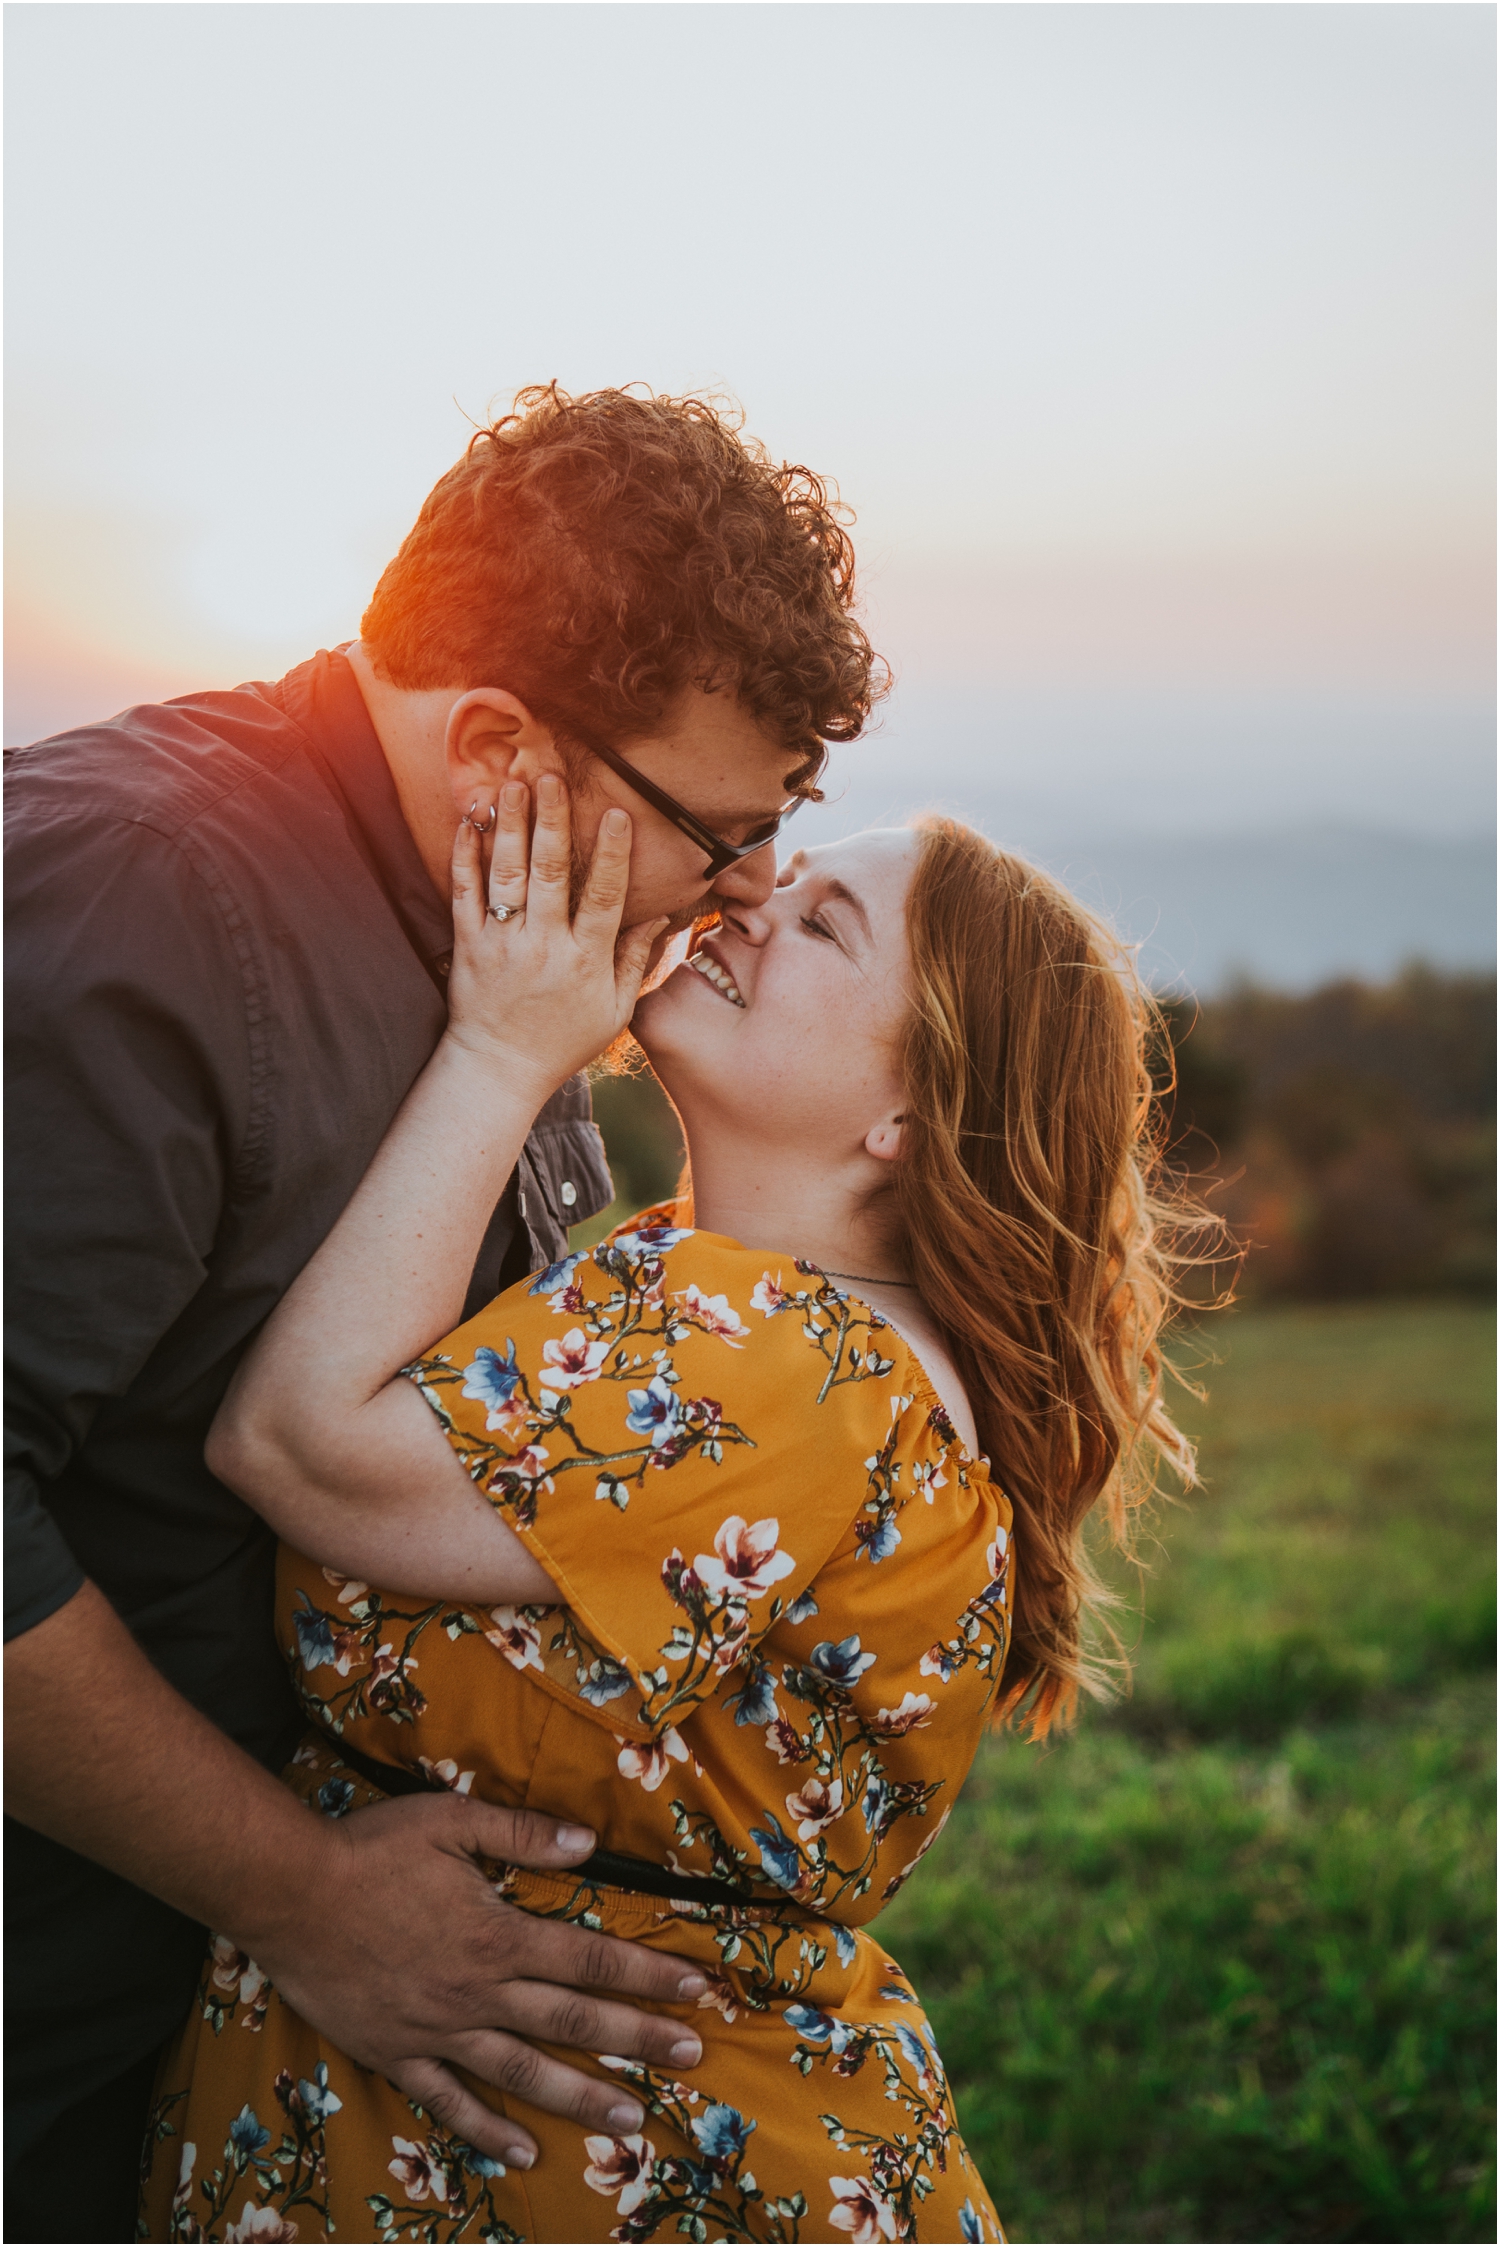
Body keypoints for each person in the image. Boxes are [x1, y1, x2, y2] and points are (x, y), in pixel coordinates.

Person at [4, 384, 882, 2242]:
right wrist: (305, 1896)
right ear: (496, 741)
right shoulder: (137, 902)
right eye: (723, 830)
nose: (744, 894)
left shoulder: (512, 921)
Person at [139, 783, 1198, 2242]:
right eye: (792, 871)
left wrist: (502, 1044)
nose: (752, 898)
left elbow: (302, 1448)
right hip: (509, 2110)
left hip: (612, 2159)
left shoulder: (799, 1364)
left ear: (910, 1113)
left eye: (823, 922)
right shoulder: (704, 1294)